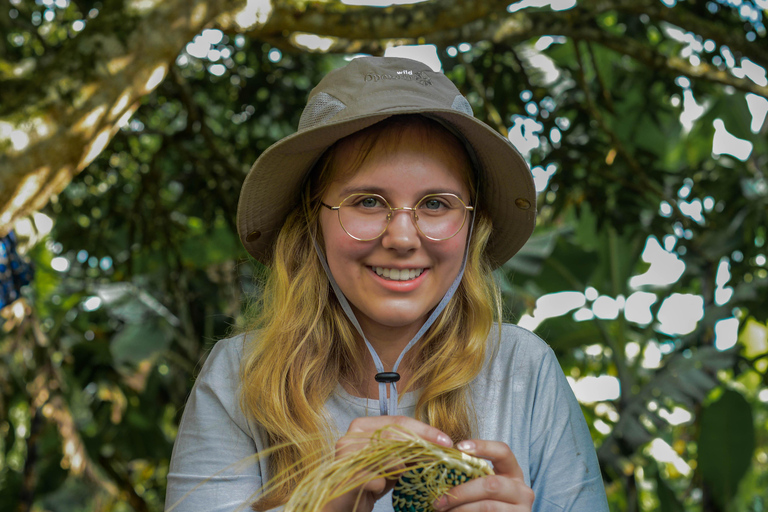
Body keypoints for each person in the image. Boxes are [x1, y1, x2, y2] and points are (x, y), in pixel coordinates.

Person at [165, 56, 609, 512]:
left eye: (436, 203)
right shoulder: (241, 376)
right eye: (368, 201)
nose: (401, 238)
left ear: (472, 227)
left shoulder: (523, 369)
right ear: (311, 221)